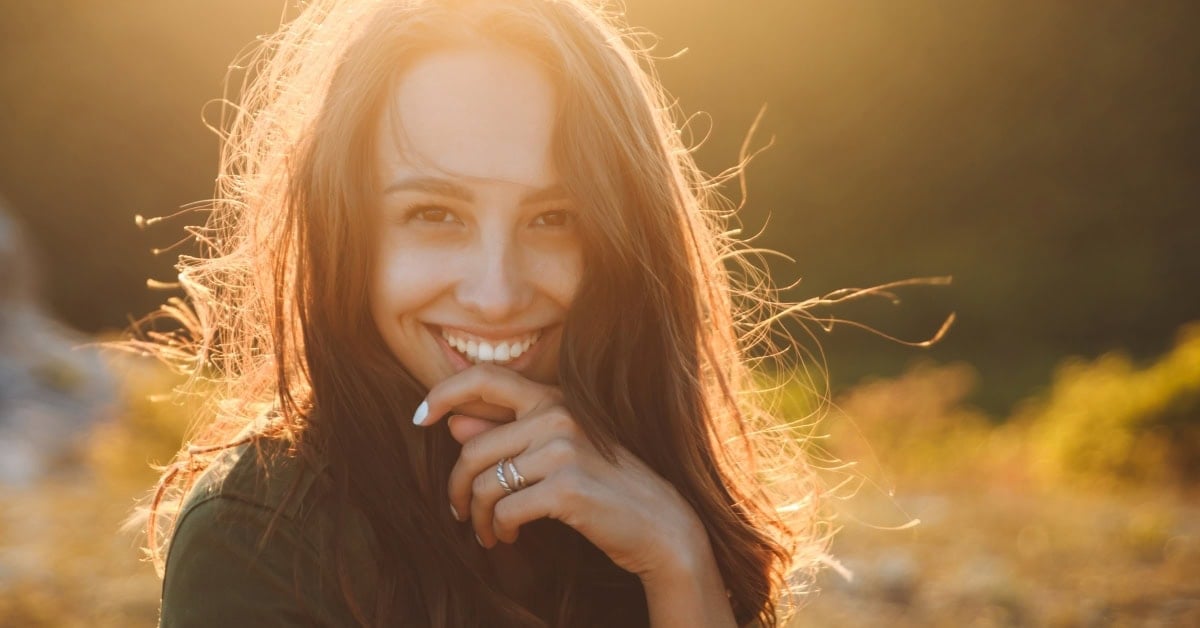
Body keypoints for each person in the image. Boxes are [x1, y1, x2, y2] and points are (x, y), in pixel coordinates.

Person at [138, 0, 828, 625]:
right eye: (434, 214)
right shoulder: (256, 538)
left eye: (555, 217)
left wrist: (679, 564)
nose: (496, 294)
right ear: (345, 234)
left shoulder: (647, 508)